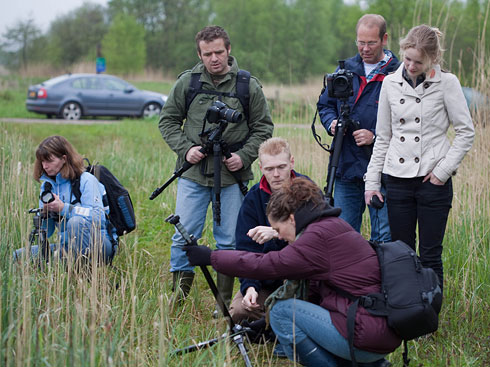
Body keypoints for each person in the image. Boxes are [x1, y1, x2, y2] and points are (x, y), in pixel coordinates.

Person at [183, 178, 399, 366]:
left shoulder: (316, 238)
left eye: (278, 229)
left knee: (281, 312)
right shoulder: (331, 226)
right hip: (376, 332)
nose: (280, 236)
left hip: (366, 337)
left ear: (293, 219)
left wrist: (212, 257)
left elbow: (267, 264)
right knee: (280, 313)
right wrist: (264, 325)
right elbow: (313, 293)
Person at [159, 25, 273, 307]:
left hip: (232, 175)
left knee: (230, 240)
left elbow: (263, 128)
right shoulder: (188, 82)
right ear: (199, 54)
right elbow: (167, 121)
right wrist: (186, 150)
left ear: (229, 50)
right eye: (207, 53)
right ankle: (178, 297)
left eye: (219, 52)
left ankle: (223, 303)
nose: (214, 58)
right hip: (193, 174)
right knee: (183, 234)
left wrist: (244, 156)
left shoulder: (247, 85)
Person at [364, 25, 475, 287]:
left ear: (432, 59)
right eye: (408, 58)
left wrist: (442, 171)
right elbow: (384, 137)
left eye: (419, 61)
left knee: (430, 255)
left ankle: (429, 315)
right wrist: (371, 182)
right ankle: (407, 315)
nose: (411, 66)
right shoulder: (390, 83)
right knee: (402, 254)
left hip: (432, 181)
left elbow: (465, 132)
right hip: (397, 180)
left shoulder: (447, 83)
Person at [317, 14, 399, 240]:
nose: (365, 48)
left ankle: (381, 275)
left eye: (371, 43)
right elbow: (325, 105)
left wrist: (375, 136)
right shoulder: (344, 71)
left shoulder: (398, 74)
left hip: (382, 169)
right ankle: (349, 276)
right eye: (360, 42)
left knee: (383, 237)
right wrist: (331, 123)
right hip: (346, 166)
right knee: (343, 236)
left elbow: (407, 122)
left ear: (384, 39)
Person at [229, 137, 306, 324]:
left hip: (303, 281)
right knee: (239, 312)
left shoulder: (307, 191)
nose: (277, 174)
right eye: (270, 169)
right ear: (261, 168)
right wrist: (250, 287)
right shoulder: (253, 199)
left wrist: (278, 232)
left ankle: (282, 321)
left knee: (310, 312)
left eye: (281, 167)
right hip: (266, 280)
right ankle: (272, 320)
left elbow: (319, 239)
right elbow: (245, 251)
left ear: (292, 163)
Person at [14, 135, 115, 263]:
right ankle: (66, 264)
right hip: (67, 247)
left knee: (76, 223)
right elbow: (48, 232)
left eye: (49, 161)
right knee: (18, 256)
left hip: (100, 245)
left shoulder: (86, 180)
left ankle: (82, 272)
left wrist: (64, 208)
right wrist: (45, 214)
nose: (45, 166)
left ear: (64, 159)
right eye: (42, 162)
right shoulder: (48, 186)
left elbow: (98, 217)